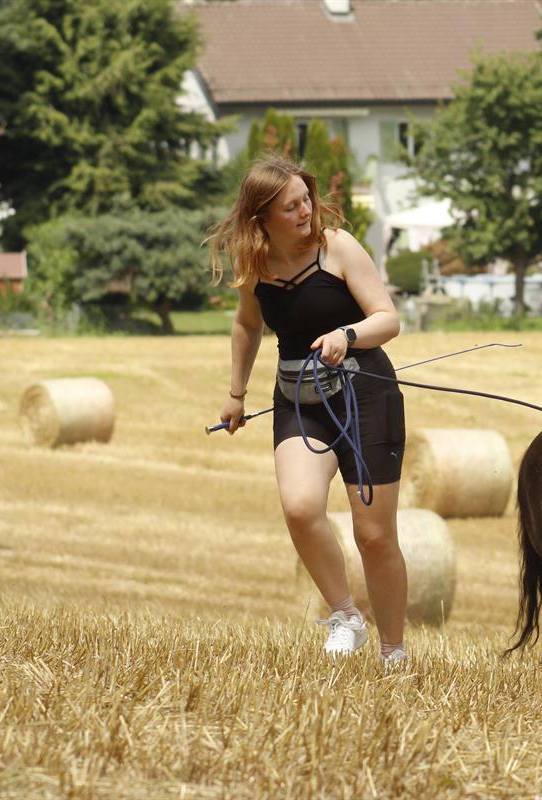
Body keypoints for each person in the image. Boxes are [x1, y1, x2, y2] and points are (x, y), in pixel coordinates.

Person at [207, 154, 408, 668]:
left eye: (307, 201)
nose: (305, 213)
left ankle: (394, 652)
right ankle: (346, 615)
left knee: (374, 534)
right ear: (262, 219)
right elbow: (247, 325)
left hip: (366, 395)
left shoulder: (337, 248)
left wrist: (348, 335)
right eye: (291, 207)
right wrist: (236, 394)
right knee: (299, 507)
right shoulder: (253, 263)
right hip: (298, 396)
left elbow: (387, 319)